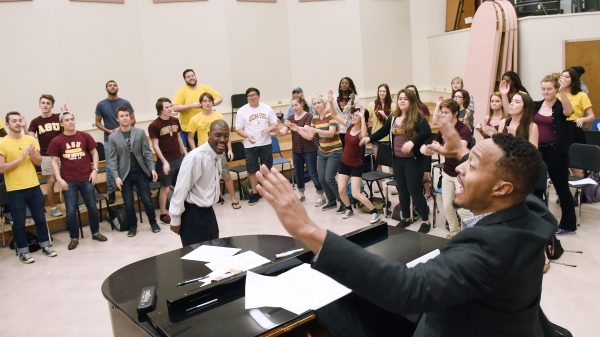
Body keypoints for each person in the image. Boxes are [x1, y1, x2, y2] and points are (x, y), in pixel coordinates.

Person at [255, 130, 557, 336]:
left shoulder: (490, 248)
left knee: (333, 303)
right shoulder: (531, 211)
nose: (460, 170)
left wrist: (307, 229)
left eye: (473, 167)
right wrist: (465, 152)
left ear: (501, 188)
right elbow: (514, 183)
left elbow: (409, 290)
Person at [361, 89, 432, 233]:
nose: (402, 101)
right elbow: (383, 131)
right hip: (397, 159)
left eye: (406, 98)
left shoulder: (417, 116)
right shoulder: (393, 117)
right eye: (400, 98)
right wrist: (370, 138)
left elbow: (427, 131)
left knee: (414, 190)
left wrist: (412, 142)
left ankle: (425, 221)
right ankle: (405, 218)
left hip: (413, 160)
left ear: (411, 101)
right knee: (402, 189)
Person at [0, 112, 57, 263]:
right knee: (19, 223)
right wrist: (20, 158)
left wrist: (31, 154)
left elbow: (38, 162)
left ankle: (45, 245)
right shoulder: (2, 142)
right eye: (14, 121)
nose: (18, 123)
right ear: (7, 124)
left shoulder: (30, 139)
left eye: (19, 120)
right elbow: (1, 168)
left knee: (40, 218)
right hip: (15, 189)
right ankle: (23, 252)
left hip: (33, 186)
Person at [48, 109, 108, 250]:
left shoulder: (84, 136)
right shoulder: (57, 141)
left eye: (72, 119)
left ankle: (95, 232)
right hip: (69, 181)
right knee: (70, 211)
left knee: (92, 207)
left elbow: (94, 153)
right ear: (61, 124)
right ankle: (74, 237)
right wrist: (59, 178)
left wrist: (95, 170)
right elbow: (54, 161)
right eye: (67, 120)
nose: (70, 122)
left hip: (86, 178)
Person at [169, 120, 229, 246]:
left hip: (208, 212)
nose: (222, 139)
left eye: (226, 135)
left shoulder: (217, 155)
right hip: (193, 215)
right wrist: (175, 219)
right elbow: (181, 188)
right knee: (197, 260)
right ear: (209, 134)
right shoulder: (195, 157)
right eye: (218, 135)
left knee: (214, 252)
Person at [421, 98, 472, 239]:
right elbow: (435, 147)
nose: (442, 115)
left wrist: (438, 149)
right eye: (441, 112)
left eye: (446, 113)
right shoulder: (443, 130)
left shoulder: (464, 129)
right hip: (448, 172)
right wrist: (427, 150)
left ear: (455, 113)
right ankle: (456, 234)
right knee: (448, 207)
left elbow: (458, 148)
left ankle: (470, 236)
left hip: (461, 174)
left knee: (463, 210)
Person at [327, 91, 381, 223]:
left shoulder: (362, 133)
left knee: (356, 193)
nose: (353, 116)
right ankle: (348, 208)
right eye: (354, 114)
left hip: (356, 165)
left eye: (356, 115)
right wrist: (330, 102)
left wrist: (362, 117)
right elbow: (334, 115)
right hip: (344, 163)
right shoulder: (349, 125)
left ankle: (375, 212)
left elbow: (364, 133)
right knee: (341, 190)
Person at [534, 73, 577, 236]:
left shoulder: (560, 105)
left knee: (561, 188)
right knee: (537, 187)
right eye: (543, 89)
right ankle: (538, 220)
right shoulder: (537, 105)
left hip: (556, 152)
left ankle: (568, 224)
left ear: (556, 89)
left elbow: (568, 112)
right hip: (538, 151)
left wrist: (564, 91)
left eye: (549, 89)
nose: (546, 92)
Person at [108, 106, 159, 237]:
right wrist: (116, 177)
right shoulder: (113, 137)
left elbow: (147, 152)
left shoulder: (140, 132)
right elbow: (112, 160)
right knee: (129, 204)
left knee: (147, 200)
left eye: (127, 115)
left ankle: (153, 222)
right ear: (117, 119)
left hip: (140, 171)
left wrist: (152, 168)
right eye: (122, 116)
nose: (125, 118)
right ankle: (132, 226)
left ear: (130, 117)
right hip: (125, 175)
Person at [187, 93, 240, 209]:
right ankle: (211, 199)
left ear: (212, 103)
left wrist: (229, 149)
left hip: (220, 151)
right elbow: (190, 138)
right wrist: (195, 152)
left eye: (209, 101)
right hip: (204, 153)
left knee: (226, 175)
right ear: (201, 103)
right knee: (207, 178)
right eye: (205, 101)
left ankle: (233, 199)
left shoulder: (219, 116)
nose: (207, 103)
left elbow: (227, 135)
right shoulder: (195, 118)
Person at [293, 95, 343, 213]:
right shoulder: (315, 118)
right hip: (322, 152)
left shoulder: (332, 115)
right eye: (314, 104)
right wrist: (298, 129)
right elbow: (310, 136)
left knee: (329, 178)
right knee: (321, 178)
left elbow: (331, 133)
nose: (316, 105)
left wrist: (315, 130)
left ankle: (343, 202)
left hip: (335, 151)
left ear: (324, 103)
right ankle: (331, 201)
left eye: (319, 103)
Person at [276, 97, 325, 205]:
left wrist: (296, 127)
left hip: (309, 149)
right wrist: (277, 130)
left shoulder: (309, 116)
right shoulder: (290, 117)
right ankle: (302, 195)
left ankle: (321, 196)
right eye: (292, 106)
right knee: (298, 173)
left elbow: (307, 130)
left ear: (302, 104)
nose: (294, 107)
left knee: (312, 173)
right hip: (296, 150)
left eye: (296, 105)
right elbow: (283, 132)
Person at [235, 87, 278, 206]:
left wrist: (268, 128)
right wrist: (247, 135)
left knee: (267, 169)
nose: (252, 97)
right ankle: (254, 193)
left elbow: (274, 124)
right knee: (252, 170)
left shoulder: (267, 108)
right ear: (247, 98)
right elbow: (238, 129)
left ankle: (270, 191)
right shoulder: (242, 111)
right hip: (250, 145)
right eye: (250, 96)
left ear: (259, 96)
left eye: (254, 95)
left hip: (266, 143)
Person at [148, 98, 188, 225]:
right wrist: (164, 161)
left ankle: (183, 208)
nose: (170, 109)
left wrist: (185, 153)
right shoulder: (154, 125)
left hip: (178, 158)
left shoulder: (175, 120)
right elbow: (155, 145)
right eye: (167, 107)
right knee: (165, 188)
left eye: (171, 106)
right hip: (166, 160)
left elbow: (178, 138)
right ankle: (163, 213)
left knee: (182, 185)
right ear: (160, 110)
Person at [95, 80, 136, 204]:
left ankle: (130, 189)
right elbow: (97, 122)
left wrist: (121, 128)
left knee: (130, 163)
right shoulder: (101, 104)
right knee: (110, 167)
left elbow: (133, 120)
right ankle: (111, 192)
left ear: (118, 87)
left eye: (114, 85)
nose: (112, 87)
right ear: (106, 89)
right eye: (110, 85)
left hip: (127, 138)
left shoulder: (125, 102)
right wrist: (108, 130)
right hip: (109, 139)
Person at [28, 94, 63, 217]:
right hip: (47, 155)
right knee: (52, 180)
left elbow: (69, 129)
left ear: (52, 106)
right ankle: (52, 207)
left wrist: (65, 114)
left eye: (48, 103)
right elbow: (30, 138)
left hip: (62, 154)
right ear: (39, 105)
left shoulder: (59, 117)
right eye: (43, 103)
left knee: (67, 179)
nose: (45, 105)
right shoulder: (35, 121)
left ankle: (72, 203)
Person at [172, 69, 222, 149]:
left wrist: (210, 104)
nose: (191, 78)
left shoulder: (204, 87)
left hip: (205, 128)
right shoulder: (181, 91)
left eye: (192, 75)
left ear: (195, 76)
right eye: (188, 77)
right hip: (189, 129)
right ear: (185, 79)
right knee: (194, 153)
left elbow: (220, 98)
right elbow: (175, 107)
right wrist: (192, 105)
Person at [559, 68, 595, 179]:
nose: (563, 79)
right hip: (560, 128)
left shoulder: (581, 95)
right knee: (560, 163)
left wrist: (582, 119)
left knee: (575, 164)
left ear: (573, 79)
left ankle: (581, 191)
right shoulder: (557, 94)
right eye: (562, 76)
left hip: (574, 128)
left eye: (567, 77)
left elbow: (591, 116)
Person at [367, 84, 397, 174]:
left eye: (384, 91)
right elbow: (368, 121)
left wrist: (384, 115)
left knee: (391, 163)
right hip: (376, 136)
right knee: (378, 162)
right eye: (380, 91)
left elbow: (394, 122)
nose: (382, 93)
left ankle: (394, 185)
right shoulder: (372, 105)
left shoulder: (393, 105)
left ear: (387, 92)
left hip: (388, 137)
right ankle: (380, 185)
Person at [330, 77, 360, 147]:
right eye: (342, 83)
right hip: (337, 127)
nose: (344, 84)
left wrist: (352, 101)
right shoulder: (334, 97)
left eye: (346, 83)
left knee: (348, 148)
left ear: (350, 86)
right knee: (339, 149)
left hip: (349, 127)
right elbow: (330, 111)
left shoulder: (355, 97)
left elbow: (355, 113)